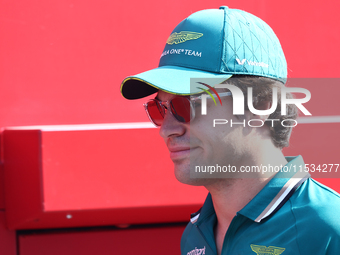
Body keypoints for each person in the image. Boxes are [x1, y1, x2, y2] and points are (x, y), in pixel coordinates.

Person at [120, 6, 340, 255]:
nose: (166, 130)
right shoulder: (196, 235)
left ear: (261, 104)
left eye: (187, 104)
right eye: (158, 108)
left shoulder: (328, 229)